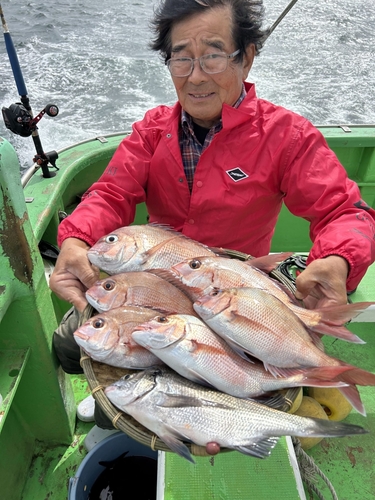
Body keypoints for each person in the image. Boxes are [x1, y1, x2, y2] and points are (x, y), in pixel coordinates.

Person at [50, 0, 375, 453]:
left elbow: (346, 211)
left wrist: (337, 259)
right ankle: (115, 411)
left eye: (214, 54)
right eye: (181, 56)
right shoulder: (152, 131)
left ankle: (206, 417)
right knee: (69, 345)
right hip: (154, 292)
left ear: (247, 56)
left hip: (239, 295)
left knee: (236, 377)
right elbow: (111, 193)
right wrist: (78, 237)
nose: (195, 75)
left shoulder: (288, 136)